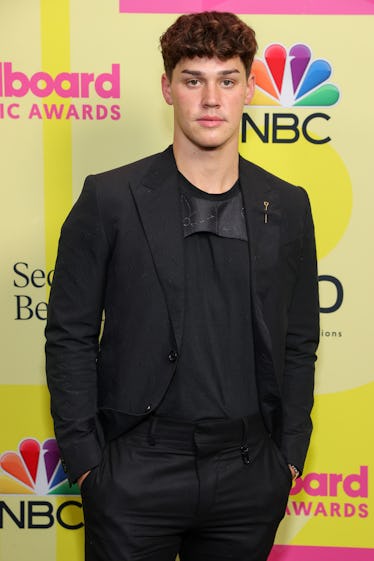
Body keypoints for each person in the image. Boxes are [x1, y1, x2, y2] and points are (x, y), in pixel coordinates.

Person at [45, 11, 319, 561]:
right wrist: (89, 463)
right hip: (135, 470)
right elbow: (69, 334)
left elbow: (300, 341)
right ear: (167, 88)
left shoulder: (287, 205)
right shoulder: (110, 199)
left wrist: (288, 454)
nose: (211, 99)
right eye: (194, 80)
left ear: (249, 89)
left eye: (228, 79)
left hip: (249, 473)